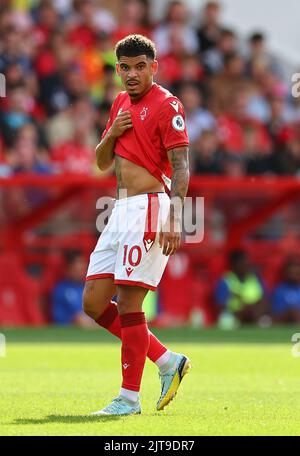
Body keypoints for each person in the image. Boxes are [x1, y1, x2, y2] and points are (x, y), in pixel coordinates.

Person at [82, 34, 191, 416]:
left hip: (149, 207)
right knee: (94, 303)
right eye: (125, 67)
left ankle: (128, 399)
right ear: (117, 69)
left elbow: (181, 166)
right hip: (119, 211)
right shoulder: (119, 104)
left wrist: (176, 216)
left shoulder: (167, 104)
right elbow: (100, 162)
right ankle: (167, 361)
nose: (132, 74)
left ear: (153, 67)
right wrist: (111, 132)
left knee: (129, 302)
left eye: (140, 66)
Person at [215, 249, 267, 327]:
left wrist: (254, 309)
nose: (246, 265)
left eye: (247, 262)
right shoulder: (226, 281)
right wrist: (240, 312)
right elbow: (220, 306)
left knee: (266, 320)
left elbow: (265, 300)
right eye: (242, 263)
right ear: (233, 264)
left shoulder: (256, 279)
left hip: (255, 315)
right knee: (225, 321)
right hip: (235, 317)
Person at [52, 251, 94, 327]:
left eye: (83, 269)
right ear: (68, 269)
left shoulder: (91, 288)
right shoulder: (60, 289)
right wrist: (73, 319)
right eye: (76, 269)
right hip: (71, 331)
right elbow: (57, 316)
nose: (81, 272)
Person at [272, 256, 300, 324]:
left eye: (296, 272)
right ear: (286, 272)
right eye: (291, 272)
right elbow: (276, 311)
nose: (293, 274)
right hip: (284, 320)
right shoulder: (279, 290)